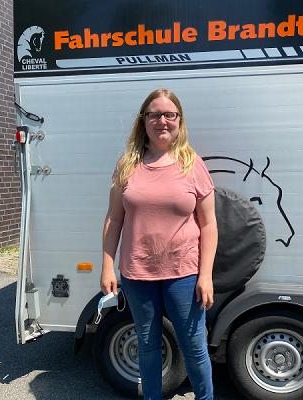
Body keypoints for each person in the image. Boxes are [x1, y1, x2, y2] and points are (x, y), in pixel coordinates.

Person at [100, 88, 218, 400]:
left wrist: (206, 275)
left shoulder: (192, 164)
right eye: (154, 114)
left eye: (169, 114)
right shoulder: (127, 164)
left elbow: (209, 225)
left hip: (184, 275)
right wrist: (107, 266)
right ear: (144, 120)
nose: (162, 121)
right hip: (138, 274)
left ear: (179, 120)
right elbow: (114, 218)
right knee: (147, 346)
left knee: (194, 347)